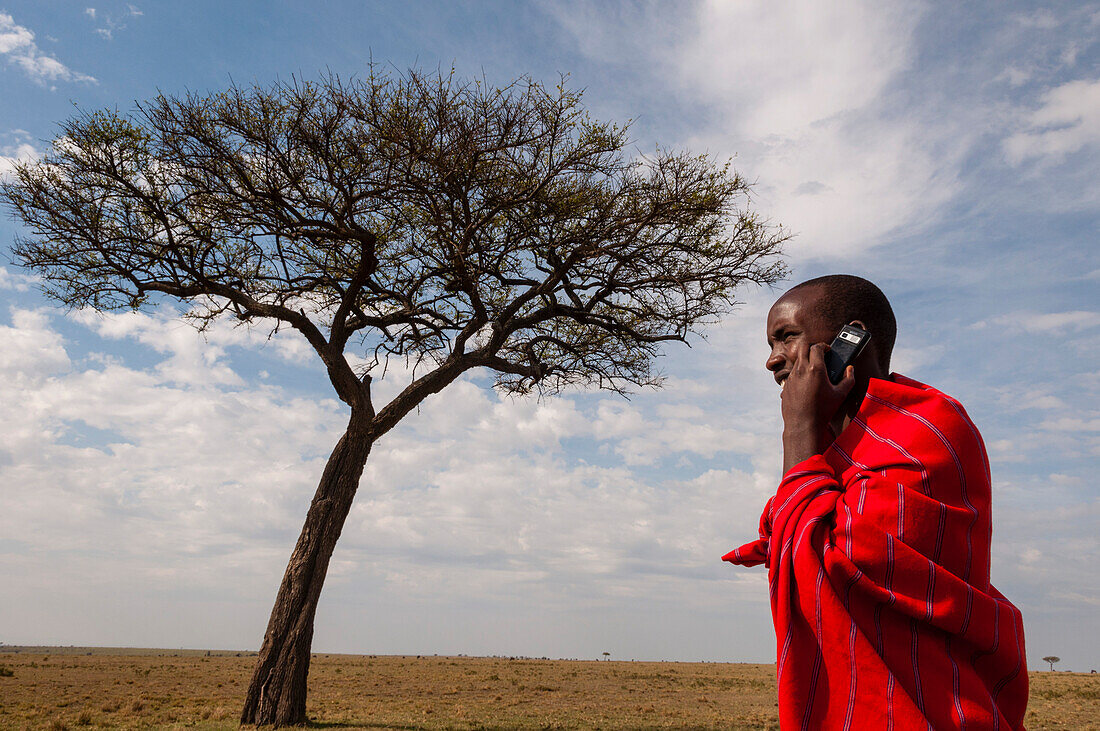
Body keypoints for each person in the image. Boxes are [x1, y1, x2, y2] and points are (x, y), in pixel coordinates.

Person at [725, 275, 1028, 730]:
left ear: (852, 339)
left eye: (787, 337)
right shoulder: (841, 446)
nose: (772, 360)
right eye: (771, 343)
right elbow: (799, 526)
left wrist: (799, 430)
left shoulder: (925, 430)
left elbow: (831, 557)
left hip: (929, 707)